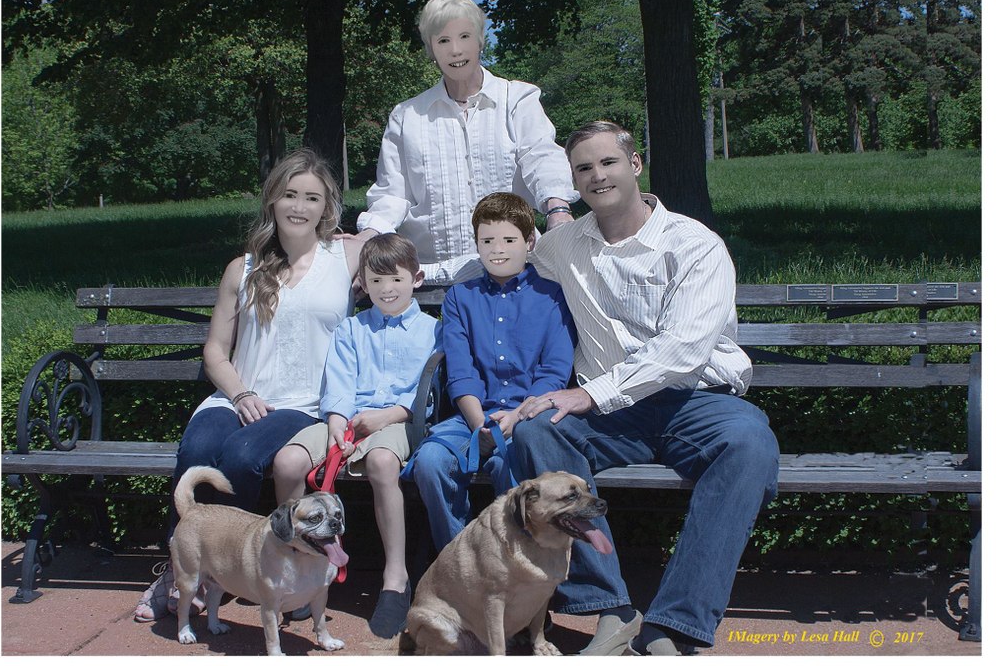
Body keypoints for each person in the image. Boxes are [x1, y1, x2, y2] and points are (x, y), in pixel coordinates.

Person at [512, 121, 780, 656]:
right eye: (583, 168)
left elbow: (682, 351)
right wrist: (378, 258)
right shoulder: (564, 245)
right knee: (539, 433)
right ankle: (609, 608)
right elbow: (499, 256)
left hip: (696, 402)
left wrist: (592, 393)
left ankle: (676, 623)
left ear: (635, 165)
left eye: (608, 163)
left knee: (750, 445)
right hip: (616, 415)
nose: (597, 176)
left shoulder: (694, 244)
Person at [134, 148, 361, 623]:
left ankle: (213, 570)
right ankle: (180, 567)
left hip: (303, 404)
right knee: (196, 452)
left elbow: (406, 260)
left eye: (312, 198)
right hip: (235, 396)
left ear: (327, 208)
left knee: (240, 457)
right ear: (272, 201)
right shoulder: (244, 268)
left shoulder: (347, 255)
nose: (299, 206)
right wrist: (240, 394)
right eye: (289, 195)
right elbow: (215, 350)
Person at [273, 233, 441, 639]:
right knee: (288, 461)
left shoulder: (432, 330)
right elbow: (339, 383)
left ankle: (395, 577)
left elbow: (426, 396)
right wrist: (336, 421)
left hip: (397, 423)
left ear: (416, 279)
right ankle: (298, 564)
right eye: (376, 280)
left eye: (396, 279)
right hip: (345, 421)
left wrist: (386, 417)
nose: (387, 289)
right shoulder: (351, 328)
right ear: (362, 284)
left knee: (383, 462)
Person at [351, 0, 579, 285]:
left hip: (514, 273)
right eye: (443, 41)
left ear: (480, 40)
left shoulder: (517, 99)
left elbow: (542, 157)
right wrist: (367, 238)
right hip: (431, 279)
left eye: (465, 37)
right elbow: (393, 193)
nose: (455, 50)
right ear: (431, 50)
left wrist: (558, 210)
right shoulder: (406, 116)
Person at [405, 192, 576, 551]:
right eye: (487, 241)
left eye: (510, 240)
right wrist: (478, 424)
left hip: (529, 417)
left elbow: (554, 373)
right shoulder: (460, 298)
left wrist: (515, 417)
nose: (498, 249)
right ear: (477, 244)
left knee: (509, 465)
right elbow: (461, 371)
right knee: (432, 462)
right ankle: (458, 562)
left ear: (529, 242)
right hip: (472, 416)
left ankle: (519, 566)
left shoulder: (552, 297)